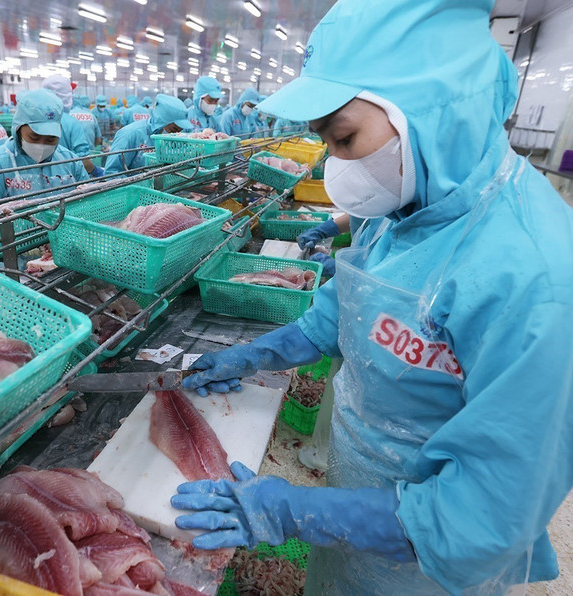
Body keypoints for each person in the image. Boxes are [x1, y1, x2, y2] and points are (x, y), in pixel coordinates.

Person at [171, 1, 573, 595]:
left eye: (344, 138)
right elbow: (339, 315)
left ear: (429, 111)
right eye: (326, 143)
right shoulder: (404, 204)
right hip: (353, 501)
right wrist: (254, 355)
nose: (337, 165)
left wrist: (294, 512)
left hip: (430, 566)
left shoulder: (536, 278)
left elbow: (484, 518)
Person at [0, 89, 89, 207]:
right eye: (34, 137)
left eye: (50, 139)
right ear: (18, 128)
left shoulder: (71, 163)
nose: (42, 146)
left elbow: (89, 204)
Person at [104, 94, 191, 177]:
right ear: (162, 120)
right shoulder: (130, 134)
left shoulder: (168, 138)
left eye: (180, 130)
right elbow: (111, 173)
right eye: (173, 130)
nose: (176, 134)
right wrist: (138, 184)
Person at [42, 76, 103, 178]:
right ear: (66, 95)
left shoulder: (37, 119)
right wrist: (96, 171)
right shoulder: (71, 122)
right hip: (66, 178)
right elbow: (83, 161)